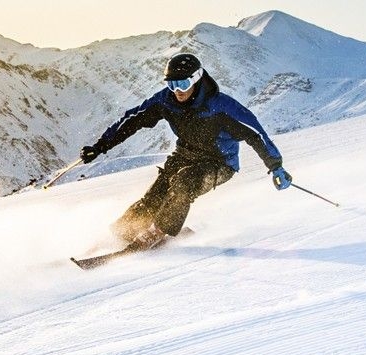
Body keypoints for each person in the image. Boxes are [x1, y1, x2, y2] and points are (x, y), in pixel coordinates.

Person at [79, 53, 292, 246]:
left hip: (220, 163)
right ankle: (120, 234)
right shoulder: (165, 101)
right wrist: (100, 146)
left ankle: (157, 231)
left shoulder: (221, 107)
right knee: (154, 196)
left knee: (184, 183)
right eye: (172, 85)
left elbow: (256, 134)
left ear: (196, 79)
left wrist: (275, 166)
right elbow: (132, 120)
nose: (178, 91)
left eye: (182, 84)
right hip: (184, 156)